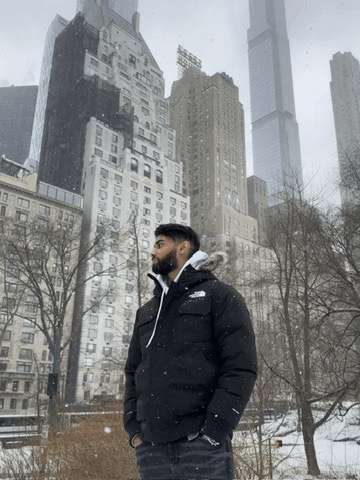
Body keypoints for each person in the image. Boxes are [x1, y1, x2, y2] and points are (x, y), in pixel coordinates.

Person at [123, 224, 257, 480]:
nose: (153, 252)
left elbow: (241, 366)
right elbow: (132, 371)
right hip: (150, 450)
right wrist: (135, 431)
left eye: (160, 244)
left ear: (182, 247)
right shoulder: (148, 311)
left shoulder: (219, 296)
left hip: (201, 446)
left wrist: (213, 429)